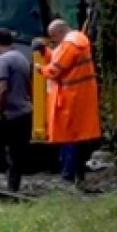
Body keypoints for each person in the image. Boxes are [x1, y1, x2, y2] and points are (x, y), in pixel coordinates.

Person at [35, 18, 101, 184]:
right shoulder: (75, 42)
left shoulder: (71, 44)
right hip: (76, 95)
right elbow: (61, 58)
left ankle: (68, 173)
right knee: (74, 136)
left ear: (59, 32)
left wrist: (40, 69)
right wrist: (46, 52)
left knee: (70, 136)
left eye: (53, 37)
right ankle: (73, 173)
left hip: (72, 96)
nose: (53, 41)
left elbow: (56, 69)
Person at [0, 28, 32, 191]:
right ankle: (14, 187)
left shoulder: (3, 60)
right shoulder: (22, 58)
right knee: (17, 152)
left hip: (9, 113)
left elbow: (3, 87)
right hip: (24, 111)